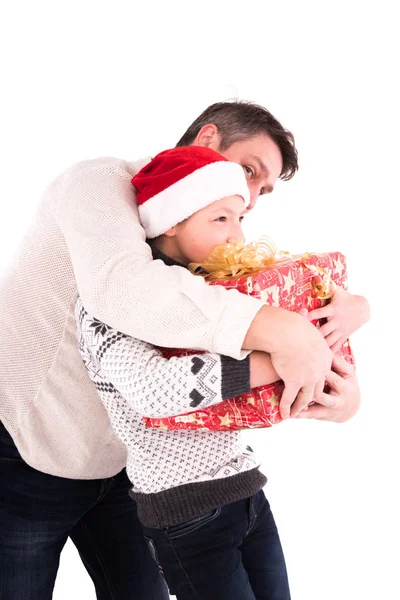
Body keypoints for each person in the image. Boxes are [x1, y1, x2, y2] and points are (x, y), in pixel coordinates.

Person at [0, 101, 368, 599]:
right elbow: (126, 289)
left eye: (261, 191)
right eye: (249, 172)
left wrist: (339, 350)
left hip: (133, 468)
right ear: (208, 139)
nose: (252, 202)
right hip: (29, 451)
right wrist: (280, 333)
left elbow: (250, 328)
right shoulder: (96, 185)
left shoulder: (198, 249)